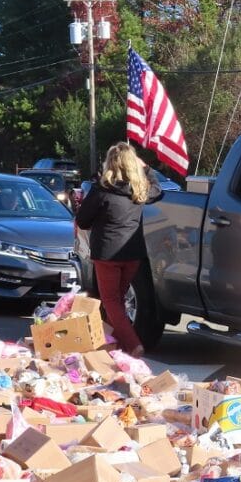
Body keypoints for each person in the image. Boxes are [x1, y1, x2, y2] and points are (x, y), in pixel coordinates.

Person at [74, 143, 162, 357]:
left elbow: (83, 221)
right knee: (118, 300)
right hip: (133, 253)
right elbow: (158, 191)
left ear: (110, 164)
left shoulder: (102, 190)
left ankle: (133, 345)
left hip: (107, 254)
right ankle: (114, 345)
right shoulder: (140, 190)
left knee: (111, 301)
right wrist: (148, 169)